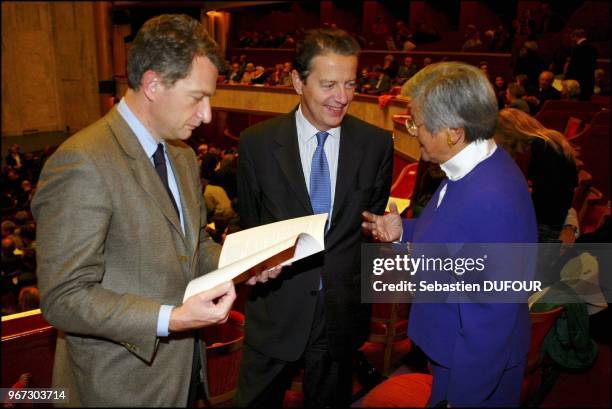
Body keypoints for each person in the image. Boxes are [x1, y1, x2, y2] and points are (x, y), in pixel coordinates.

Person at [31, 14, 240, 407]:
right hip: (117, 387)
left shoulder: (181, 155)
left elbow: (192, 247)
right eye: (198, 97)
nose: (207, 114)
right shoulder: (82, 161)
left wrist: (248, 262)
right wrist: (171, 319)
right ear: (153, 84)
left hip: (184, 375)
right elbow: (64, 297)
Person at [362, 62, 537, 407]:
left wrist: (460, 399)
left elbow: (489, 323)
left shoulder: (492, 198)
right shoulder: (472, 165)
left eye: (419, 125)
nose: (413, 132)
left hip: (472, 376)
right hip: (451, 355)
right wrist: (403, 231)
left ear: (453, 132)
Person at [236, 28, 393, 407]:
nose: (342, 98)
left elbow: (368, 224)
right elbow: (250, 228)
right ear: (296, 81)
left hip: (341, 317)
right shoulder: (255, 144)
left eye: (350, 84)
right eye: (328, 85)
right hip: (275, 313)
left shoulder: (376, 144)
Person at [495, 108, 578, 243]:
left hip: (543, 230)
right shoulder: (550, 141)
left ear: (510, 134)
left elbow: (545, 201)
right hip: (552, 222)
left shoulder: (542, 147)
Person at [564, 28, 597, 101]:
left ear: (575, 36)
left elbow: (573, 65)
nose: (572, 40)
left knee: (578, 100)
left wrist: (567, 77)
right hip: (589, 78)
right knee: (587, 101)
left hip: (578, 79)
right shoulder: (593, 47)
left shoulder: (577, 48)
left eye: (572, 37)